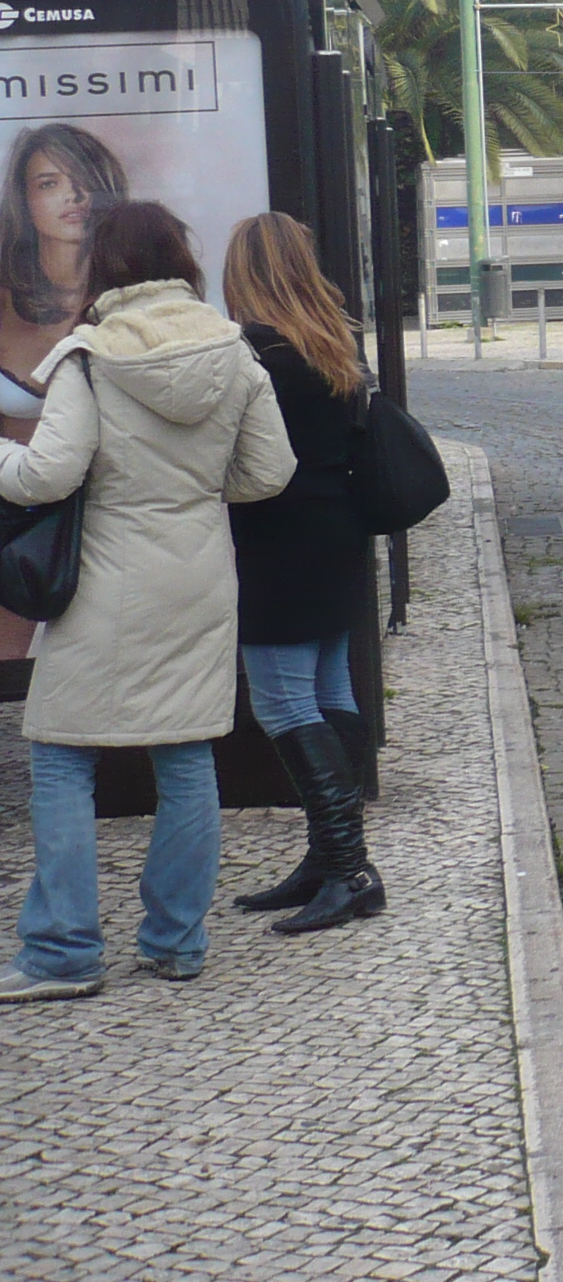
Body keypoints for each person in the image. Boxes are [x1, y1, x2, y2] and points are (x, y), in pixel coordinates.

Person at [0, 201, 295, 1001]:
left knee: (61, 756)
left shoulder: (88, 357)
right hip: (198, 574)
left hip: (106, 579)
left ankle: (62, 953)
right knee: (187, 750)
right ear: (178, 264)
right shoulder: (232, 352)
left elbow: (44, 476)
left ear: (109, 267)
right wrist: (196, 496)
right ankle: (175, 942)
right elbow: (270, 471)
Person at [223, 212, 388, 935]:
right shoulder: (333, 343)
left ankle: (349, 869)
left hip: (279, 542)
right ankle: (327, 860)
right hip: (338, 534)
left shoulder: (255, 352)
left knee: (284, 704)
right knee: (329, 691)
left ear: (245, 273)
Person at [0, 124, 129, 442]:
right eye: (48, 183)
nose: (74, 195)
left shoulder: (135, 298)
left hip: (117, 489)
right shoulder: (2, 305)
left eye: (85, 180)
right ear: (24, 201)